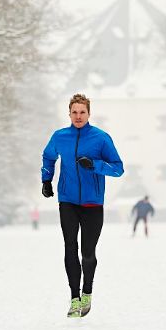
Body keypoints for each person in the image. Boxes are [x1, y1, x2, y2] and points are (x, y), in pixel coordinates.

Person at [41, 94, 124, 318]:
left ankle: (87, 292)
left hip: (92, 202)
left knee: (87, 253)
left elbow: (118, 168)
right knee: (70, 247)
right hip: (67, 200)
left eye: (82, 112)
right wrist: (46, 180)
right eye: (74, 112)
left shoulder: (101, 138)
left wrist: (95, 165)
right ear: (69, 113)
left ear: (89, 113)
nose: (78, 116)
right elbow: (48, 157)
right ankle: (74, 298)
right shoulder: (60, 137)